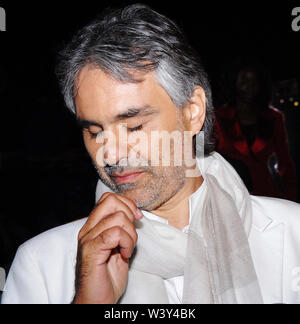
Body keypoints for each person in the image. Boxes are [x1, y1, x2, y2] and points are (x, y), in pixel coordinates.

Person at [2, 4, 300, 304]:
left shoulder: (293, 236)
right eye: (94, 132)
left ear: (193, 111)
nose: (112, 154)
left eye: (133, 126)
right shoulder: (41, 266)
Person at [215, 60, 297, 201]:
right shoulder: (217, 116)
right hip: (230, 193)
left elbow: (285, 163)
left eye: (254, 82)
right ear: (234, 82)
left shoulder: (274, 117)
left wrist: (290, 198)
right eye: (244, 80)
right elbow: (202, 155)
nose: (250, 87)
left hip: (267, 194)